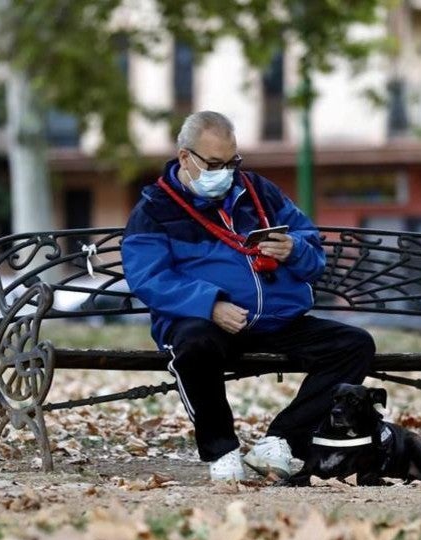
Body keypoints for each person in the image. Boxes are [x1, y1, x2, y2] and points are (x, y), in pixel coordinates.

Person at [121, 111, 375, 481]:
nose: (226, 173)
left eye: (232, 162)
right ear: (185, 158)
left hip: (276, 320)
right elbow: (149, 277)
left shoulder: (259, 190)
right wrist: (210, 305)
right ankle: (222, 451)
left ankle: (281, 440)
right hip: (206, 322)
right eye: (214, 164)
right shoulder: (154, 209)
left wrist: (294, 250)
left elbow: (310, 247)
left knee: (354, 345)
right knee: (194, 347)